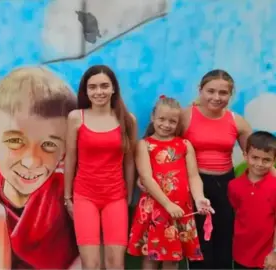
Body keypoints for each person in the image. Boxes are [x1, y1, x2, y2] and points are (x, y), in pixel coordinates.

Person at [0, 66, 80, 269]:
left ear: (66, 147)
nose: (30, 161)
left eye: (49, 145)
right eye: (15, 141)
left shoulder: (66, 186)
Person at [138, 69, 252, 269]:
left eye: (223, 93)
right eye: (211, 91)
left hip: (226, 184)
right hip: (192, 184)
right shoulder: (185, 116)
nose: (216, 97)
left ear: (230, 95)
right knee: (199, 244)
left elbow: (254, 157)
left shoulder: (237, 121)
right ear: (201, 90)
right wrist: (146, 176)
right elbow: (163, 140)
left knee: (224, 239)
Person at [127, 96, 214, 269]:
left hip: (181, 209)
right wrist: (167, 205)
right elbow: (146, 177)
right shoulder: (144, 145)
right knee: (151, 255)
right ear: (153, 117)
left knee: (173, 258)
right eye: (162, 119)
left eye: (172, 121)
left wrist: (199, 198)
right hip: (155, 209)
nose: (166, 125)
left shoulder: (184, 144)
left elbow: (194, 176)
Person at [64, 65, 137, 269]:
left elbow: (129, 161)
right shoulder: (76, 117)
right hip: (84, 196)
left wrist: (128, 195)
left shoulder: (127, 119)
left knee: (115, 263)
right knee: (92, 264)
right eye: (93, 87)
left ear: (113, 88)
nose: (99, 92)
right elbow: (70, 158)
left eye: (104, 86)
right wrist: (67, 196)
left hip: (115, 197)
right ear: (86, 91)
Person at [228, 131, 276, 270]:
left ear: (273, 161)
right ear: (245, 156)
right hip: (240, 253)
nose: (259, 164)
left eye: (266, 160)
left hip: (267, 257)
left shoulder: (274, 187)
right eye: (255, 157)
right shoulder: (234, 186)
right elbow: (237, 210)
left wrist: (274, 253)